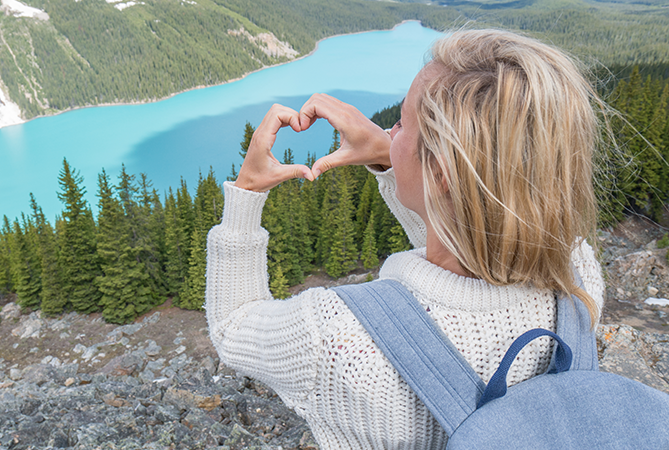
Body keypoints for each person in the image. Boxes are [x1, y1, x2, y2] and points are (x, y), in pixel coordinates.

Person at [205, 29, 606, 449]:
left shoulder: (341, 338)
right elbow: (468, 239)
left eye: (400, 124)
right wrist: (389, 153)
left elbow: (233, 327)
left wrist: (247, 192)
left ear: (441, 175)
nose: (389, 132)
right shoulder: (580, 278)